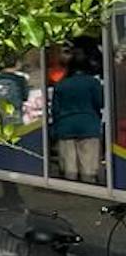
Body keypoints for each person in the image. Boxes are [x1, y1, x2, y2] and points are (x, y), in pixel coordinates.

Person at [52, 53, 105, 183]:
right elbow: (100, 102)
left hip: (65, 126)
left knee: (69, 170)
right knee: (88, 168)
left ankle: (72, 196)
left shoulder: (61, 84)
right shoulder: (93, 82)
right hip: (89, 125)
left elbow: (55, 109)